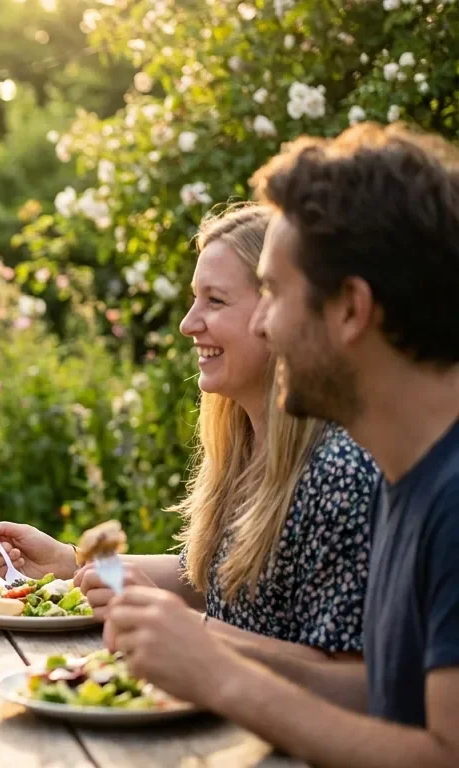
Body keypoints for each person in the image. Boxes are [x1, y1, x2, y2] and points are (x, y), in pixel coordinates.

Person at [107, 123, 459, 766]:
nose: (264, 323)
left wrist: (221, 672)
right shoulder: (406, 474)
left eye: (272, 293)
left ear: (350, 310)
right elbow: (376, 696)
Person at [0, 203, 378, 660]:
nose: (188, 323)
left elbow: (351, 678)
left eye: (215, 300)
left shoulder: (340, 472)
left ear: (281, 311)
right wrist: (73, 564)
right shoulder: (245, 444)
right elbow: (211, 583)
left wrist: (183, 627)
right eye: (194, 298)